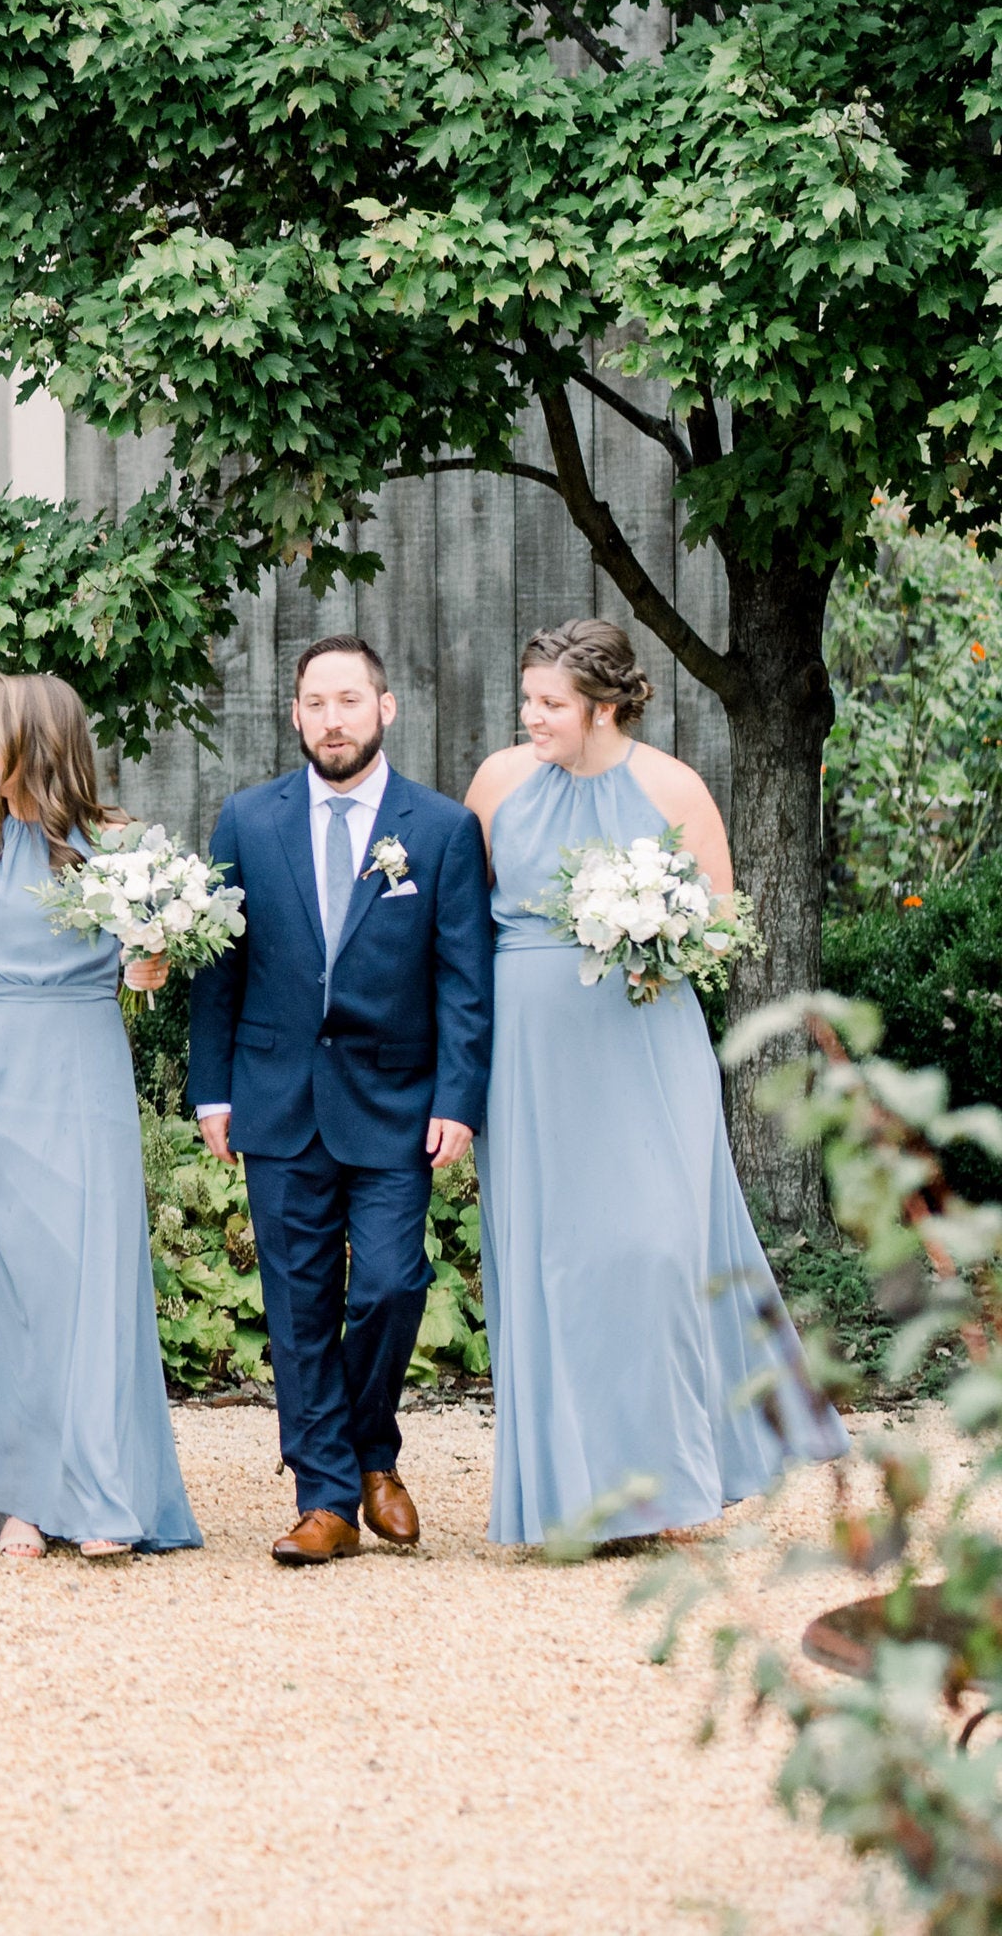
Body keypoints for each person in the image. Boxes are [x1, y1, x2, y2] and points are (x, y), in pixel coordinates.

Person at [466, 619, 842, 1548]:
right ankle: (574, 1497)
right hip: (532, 1056)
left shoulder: (674, 787)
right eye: (528, 701)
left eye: (550, 704)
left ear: (602, 707)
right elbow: (460, 925)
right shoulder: (498, 783)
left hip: (644, 1047)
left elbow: (722, 925)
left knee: (661, 1254)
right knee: (555, 1264)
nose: (532, 717)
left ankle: (674, 1484)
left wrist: (654, 926)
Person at [0, 673, 201, 1560]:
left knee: (83, 1286)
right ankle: (25, 1491)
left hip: (83, 1073)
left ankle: (90, 1491)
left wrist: (150, 967)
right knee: (10, 1291)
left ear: (36, 738)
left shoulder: (118, 843)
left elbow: (149, 961)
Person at [188, 633, 494, 1567]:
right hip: (276, 1096)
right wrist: (211, 1091)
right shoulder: (247, 819)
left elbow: (464, 981)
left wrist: (459, 1099)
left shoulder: (439, 829)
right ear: (294, 714)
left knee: (397, 1283)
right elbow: (218, 970)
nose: (332, 719)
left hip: (397, 1101)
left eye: (349, 701)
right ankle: (327, 1495)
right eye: (315, 703)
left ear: (385, 708)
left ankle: (371, 1447)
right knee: (297, 1303)